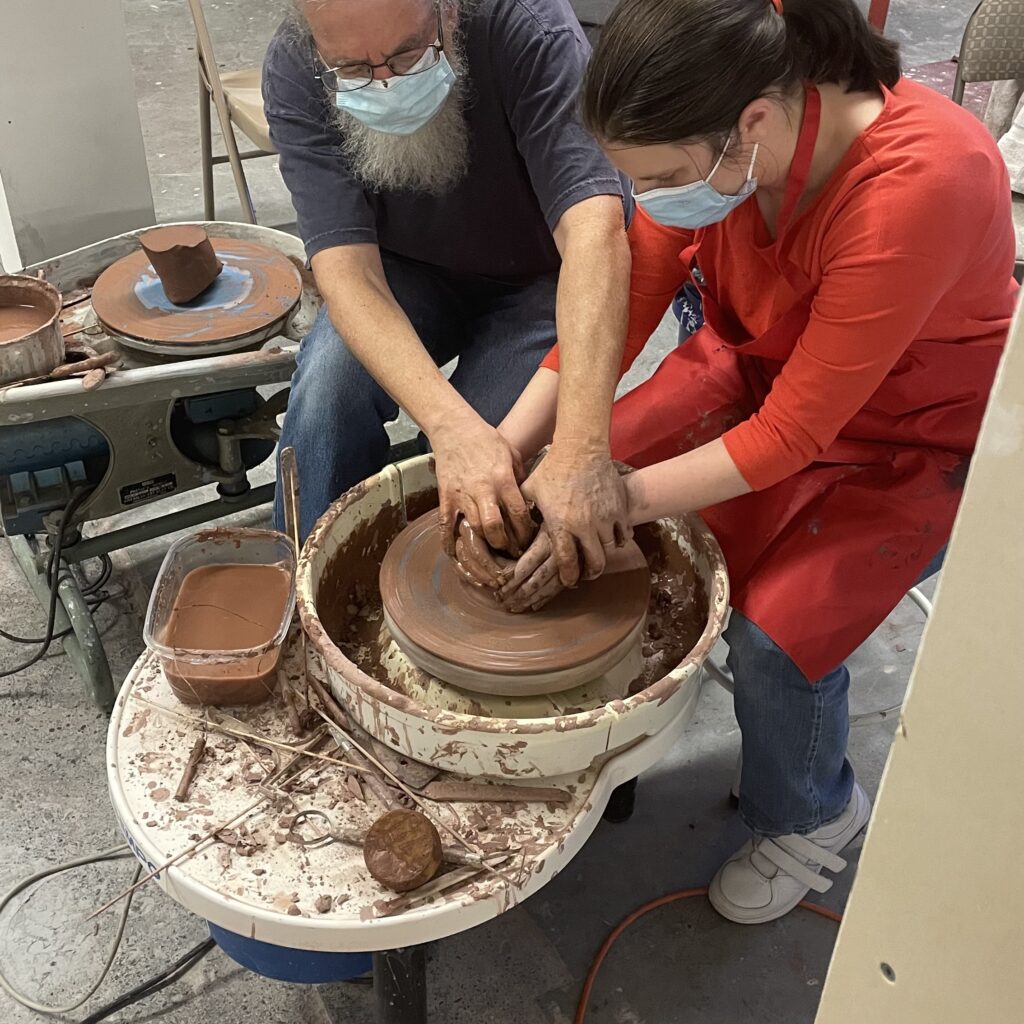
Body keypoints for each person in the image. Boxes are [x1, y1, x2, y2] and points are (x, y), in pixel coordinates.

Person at [494, 0, 1018, 922]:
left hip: (914, 437)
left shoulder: (923, 179)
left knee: (776, 637)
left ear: (755, 125)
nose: (648, 197)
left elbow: (793, 440)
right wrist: (516, 441)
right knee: (594, 474)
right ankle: (604, 714)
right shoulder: (723, 151)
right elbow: (627, 299)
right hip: (761, 369)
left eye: (660, 178)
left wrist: (606, 496)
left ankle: (811, 812)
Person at [263, 0, 633, 571]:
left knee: (499, 476)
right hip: (403, 273)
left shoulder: (527, 26)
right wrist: (447, 428)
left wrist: (583, 450)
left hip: (541, 275)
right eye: (354, 70)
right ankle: (304, 587)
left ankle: (447, 595)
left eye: (408, 53)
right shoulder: (297, 64)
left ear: (450, 13)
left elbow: (594, 232)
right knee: (325, 396)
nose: (384, 85)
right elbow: (347, 271)